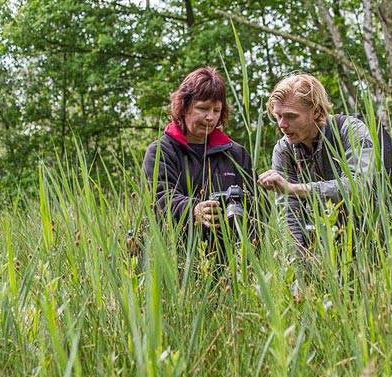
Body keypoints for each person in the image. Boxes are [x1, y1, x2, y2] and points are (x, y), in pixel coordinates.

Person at [257, 73, 375, 251]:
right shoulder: (283, 150)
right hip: (321, 245)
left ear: (316, 112)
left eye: (291, 116)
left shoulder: (350, 131)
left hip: (371, 239)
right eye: (278, 116)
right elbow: (289, 216)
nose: (282, 124)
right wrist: (299, 266)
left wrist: (294, 189)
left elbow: (357, 187)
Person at [142, 67, 254, 254]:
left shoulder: (236, 153)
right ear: (184, 107)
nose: (210, 117)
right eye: (202, 108)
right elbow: (160, 199)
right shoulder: (161, 152)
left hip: (230, 259)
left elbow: (258, 205)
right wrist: (194, 210)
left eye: (216, 110)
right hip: (176, 257)